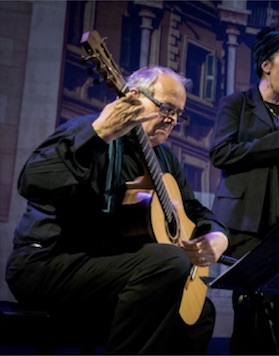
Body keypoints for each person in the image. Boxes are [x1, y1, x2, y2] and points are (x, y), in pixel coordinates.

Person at [5, 66, 229, 354]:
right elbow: (32, 182)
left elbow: (193, 209)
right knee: (167, 262)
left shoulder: (165, 159)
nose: (172, 119)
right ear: (133, 97)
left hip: (112, 268)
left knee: (199, 314)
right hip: (48, 259)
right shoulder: (88, 129)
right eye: (166, 108)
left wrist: (217, 235)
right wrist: (98, 135)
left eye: (178, 113)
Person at [209, 27, 279, 355]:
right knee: (253, 308)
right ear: (266, 65)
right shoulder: (237, 105)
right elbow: (221, 153)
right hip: (247, 222)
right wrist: (276, 142)